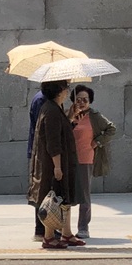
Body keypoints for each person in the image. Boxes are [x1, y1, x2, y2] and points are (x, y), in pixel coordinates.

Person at [28, 80, 84, 249]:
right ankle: (49, 236)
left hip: (62, 161)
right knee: (54, 198)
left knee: (63, 197)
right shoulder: (51, 110)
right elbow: (53, 142)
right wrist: (57, 166)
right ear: (59, 90)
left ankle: (66, 233)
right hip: (54, 164)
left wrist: (70, 116)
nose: (68, 91)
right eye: (67, 88)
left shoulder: (55, 108)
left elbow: (61, 130)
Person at [67, 84, 117, 240]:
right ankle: (63, 228)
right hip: (68, 159)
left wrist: (97, 142)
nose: (82, 103)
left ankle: (83, 227)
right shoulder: (68, 114)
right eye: (78, 99)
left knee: (84, 195)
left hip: (85, 158)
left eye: (85, 100)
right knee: (65, 194)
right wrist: (70, 119)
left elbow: (111, 129)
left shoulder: (94, 116)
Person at [27, 87, 46, 241]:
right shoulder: (42, 100)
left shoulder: (46, 99)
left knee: (46, 190)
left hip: (43, 151)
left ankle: (47, 228)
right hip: (42, 152)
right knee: (42, 190)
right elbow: (43, 129)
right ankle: (41, 229)